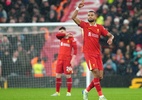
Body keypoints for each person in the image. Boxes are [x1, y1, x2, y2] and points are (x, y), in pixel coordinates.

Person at [71, 0, 114, 100]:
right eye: (88, 15)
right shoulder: (84, 25)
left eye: (91, 15)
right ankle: (101, 96)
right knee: (95, 72)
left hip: (97, 54)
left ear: (95, 17)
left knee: (100, 77)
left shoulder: (99, 28)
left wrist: (111, 38)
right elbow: (73, 17)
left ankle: (85, 91)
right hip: (89, 53)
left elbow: (110, 35)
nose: (90, 16)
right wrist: (78, 8)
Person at [51, 26, 77, 96]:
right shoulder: (61, 37)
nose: (60, 33)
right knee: (58, 75)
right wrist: (64, 34)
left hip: (67, 60)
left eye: (62, 31)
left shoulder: (71, 38)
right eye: (60, 32)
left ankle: (68, 92)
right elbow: (57, 35)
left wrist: (73, 59)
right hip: (59, 59)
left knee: (68, 76)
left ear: (65, 31)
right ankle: (57, 92)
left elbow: (75, 50)